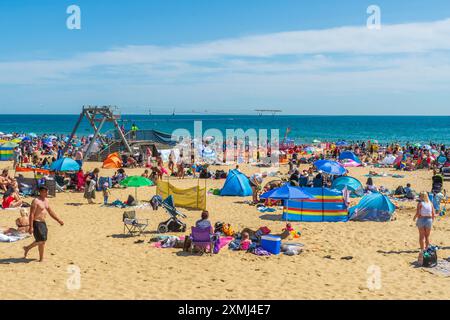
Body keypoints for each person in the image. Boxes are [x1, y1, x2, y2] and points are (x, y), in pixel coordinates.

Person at [23, 186, 64, 262]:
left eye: (47, 191)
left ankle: (41, 258)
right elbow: (31, 214)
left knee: (42, 241)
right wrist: (31, 226)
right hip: (36, 222)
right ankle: (27, 248)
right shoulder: (35, 201)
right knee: (41, 240)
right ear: (41, 192)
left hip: (43, 223)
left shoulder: (46, 200)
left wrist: (58, 220)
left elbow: (50, 212)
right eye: (45, 191)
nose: (47, 193)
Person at [413, 192, 435, 265]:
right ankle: (426, 249)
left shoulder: (420, 203)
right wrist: (432, 221)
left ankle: (422, 250)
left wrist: (414, 218)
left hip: (421, 219)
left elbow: (418, 213)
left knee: (421, 236)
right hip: (429, 220)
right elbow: (433, 214)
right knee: (427, 236)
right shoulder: (430, 203)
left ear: (421, 197)